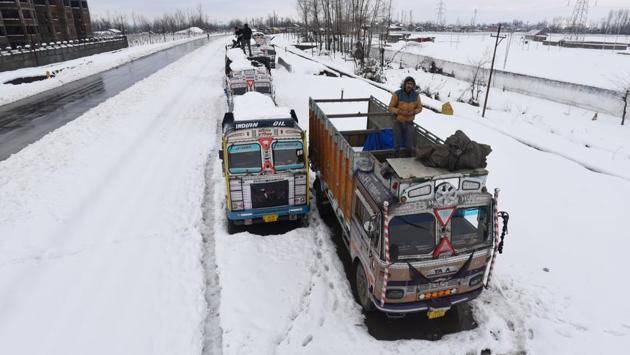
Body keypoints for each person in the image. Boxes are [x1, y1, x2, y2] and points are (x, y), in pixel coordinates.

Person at [388, 76, 422, 155]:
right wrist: (399, 112)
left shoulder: (416, 95)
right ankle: (395, 159)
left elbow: (420, 108)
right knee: (396, 144)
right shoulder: (397, 94)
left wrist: (413, 112)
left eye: (411, 84)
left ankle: (407, 161)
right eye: (408, 83)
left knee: (409, 145)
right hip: (398, 122)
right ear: (404, 84)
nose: (409, 85)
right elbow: (390, 108)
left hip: (409, 123)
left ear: (413, 86)